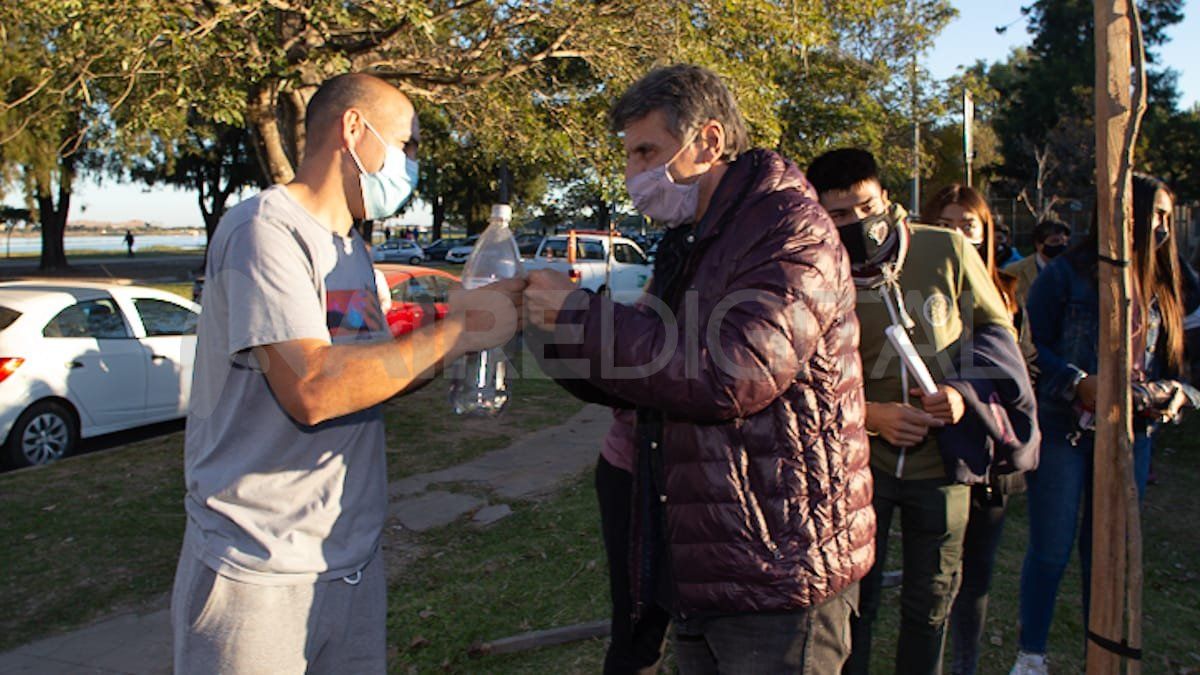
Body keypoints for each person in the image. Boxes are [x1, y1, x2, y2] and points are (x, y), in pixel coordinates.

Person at [525, 64, 873, 673]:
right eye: (630, 156)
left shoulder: (792, 231)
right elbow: (646, 374)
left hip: (778, 566)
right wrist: (546, 328)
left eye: (647, 152)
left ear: (708, 141)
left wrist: (580, 316)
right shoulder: (692, 238)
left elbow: (730, 374)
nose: (634, 175)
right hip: (708, 555)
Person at [172, 72, 523, 673]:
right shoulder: (264, 231)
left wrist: (459, 333)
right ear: (353, 129)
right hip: (260, 570)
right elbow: (311, 388)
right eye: (407, 146)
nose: (413, 166)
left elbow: (366, 370)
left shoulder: (350, 248)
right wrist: (461, 331)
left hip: (348, 561)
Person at [806, 150, 1027, 675]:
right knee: (851, 607)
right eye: (838, 216)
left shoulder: (944, 248)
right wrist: (871, 415)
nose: (856, 224)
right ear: (817, 214)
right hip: (858, 468)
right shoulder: (813, 266)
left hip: (942, 466)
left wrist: (961, 394)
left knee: (930, 603)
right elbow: (802, 374)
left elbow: (996, 335)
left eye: (866, 207)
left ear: (886, 198)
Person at [1011, 174, 1196, 674]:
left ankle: (1104, 649)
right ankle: (1031, 656)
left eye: (1165, 216)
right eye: (1149, 214)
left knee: (1108, 548)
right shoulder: (1067, 273)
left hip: (1133, 435)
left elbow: (1182, 359)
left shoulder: (1174, 278)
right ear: (1120, 214)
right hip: (1067, 430)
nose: (1159, 226)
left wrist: (1176, 393)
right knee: (1051, 547)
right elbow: (1033, 347)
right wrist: (1076, 381)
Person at [924, 184, 1037, 675]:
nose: (955, 235)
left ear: (984, 233)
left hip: (991, 453)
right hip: (936, 454)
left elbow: (1025, 363)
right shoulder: (913, 294)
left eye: (965, 226)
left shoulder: (1007, 292)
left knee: (977, 575)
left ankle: (964, 665)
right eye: (943, 225)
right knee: (934, 577)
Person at [1004, 218, 1071, 306]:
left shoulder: (1074, 270)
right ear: (1038, 245)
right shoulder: (1014, 271)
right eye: (1055, 241)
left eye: (1064, 242)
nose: (1061, 246)